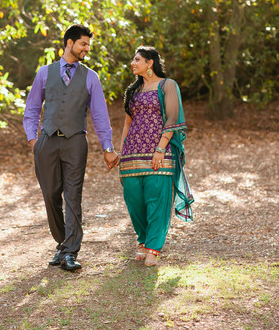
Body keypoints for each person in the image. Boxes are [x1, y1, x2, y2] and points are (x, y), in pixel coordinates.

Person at [23, 24, 119, 271]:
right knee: (50, 194)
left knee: (73, 195)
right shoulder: (44, 73)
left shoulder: (91, 77)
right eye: (83, 44)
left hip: (76, 141)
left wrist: (107, 147)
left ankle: (70, 252)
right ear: (69, 43)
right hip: (46, 141)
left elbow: (99, 115)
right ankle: (63, 242)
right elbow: (32, 108)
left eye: (88, 45)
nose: (87, 49)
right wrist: (33, 140)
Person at [118, 46, 194, 266]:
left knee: (157, 199)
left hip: (158, 152)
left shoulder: (167, 85)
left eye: (137, 59)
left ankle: (153, 246)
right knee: (134, 200)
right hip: (132, 154)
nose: (133, 63)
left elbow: (172, 118)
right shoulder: (133, 91)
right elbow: (127, 124)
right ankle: (142, 240)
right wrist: (122, 153)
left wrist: (160, 149)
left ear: (150, 62)